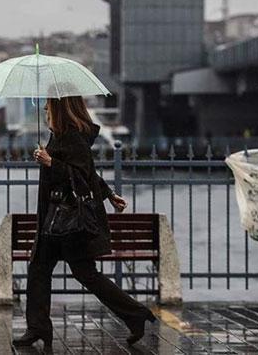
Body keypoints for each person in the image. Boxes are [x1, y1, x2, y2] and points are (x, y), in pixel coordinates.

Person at [12, 96, 156, 350]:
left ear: (60, 107)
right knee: (38, 268)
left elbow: (79, 176)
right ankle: (38, 327)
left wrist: (50, 163)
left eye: (49, 104)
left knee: (85, 274)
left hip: (68, 222)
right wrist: (110, 194)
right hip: (54, 220)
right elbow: (88, 172)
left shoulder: (73, 138)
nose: (45, 108)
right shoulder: (60, 136)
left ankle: (135, 314)